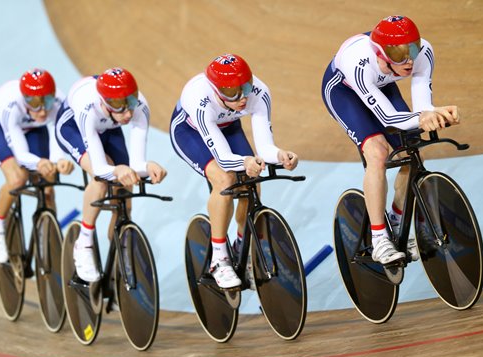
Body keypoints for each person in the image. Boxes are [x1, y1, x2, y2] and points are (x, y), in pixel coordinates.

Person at [321, 15, 460, 265]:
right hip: (345, 92)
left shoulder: (424, 53)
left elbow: (422, 107)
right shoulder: (359, 63)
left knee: (410, 152)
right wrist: (424, 117)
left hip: (382, 85)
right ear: (382, 54)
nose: (409, 61)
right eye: (399, 56)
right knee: (377, 153)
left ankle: (398, 220)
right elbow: (390, 118)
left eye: (413, 50)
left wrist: (434, 114)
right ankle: (379, 239)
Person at [169, 53, 298, 289]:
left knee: (253, 181)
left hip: (228, 128)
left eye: (245, 87)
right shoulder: (199, 98)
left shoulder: (258, 92)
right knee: (225, 179)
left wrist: (279, 155)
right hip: (191, 132)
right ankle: (219, 258)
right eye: (232, 93)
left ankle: (242, 246)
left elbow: (265, 146)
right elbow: (223, 159)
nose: (242, 98)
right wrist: (246, 161)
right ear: (217, 90)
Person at [55, 67, 167, 282]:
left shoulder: (138, 106)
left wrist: (148, 166)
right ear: (105, 102)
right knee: (102, 180)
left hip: (108, 126)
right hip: (73, 129)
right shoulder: (88, 108)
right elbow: (99, 168)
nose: (127, 114)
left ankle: (119, 249)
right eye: (120, 107)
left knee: (125, 191)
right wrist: (116, 169)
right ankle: (84, 242)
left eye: (130, 104)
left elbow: (136, 164)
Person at [0, 68, 74, 264]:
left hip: (35, 129)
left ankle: (48, 238)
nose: (42, 110)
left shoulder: (60, 102)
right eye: (34, 104)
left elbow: (60, 136)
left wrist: (59, 161)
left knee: (48, 187)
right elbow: (21, 154)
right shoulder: (10, 105)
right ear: (25, 99)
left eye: (47, 102)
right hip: (2, 126)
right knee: (18, 179)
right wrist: (39, 162)